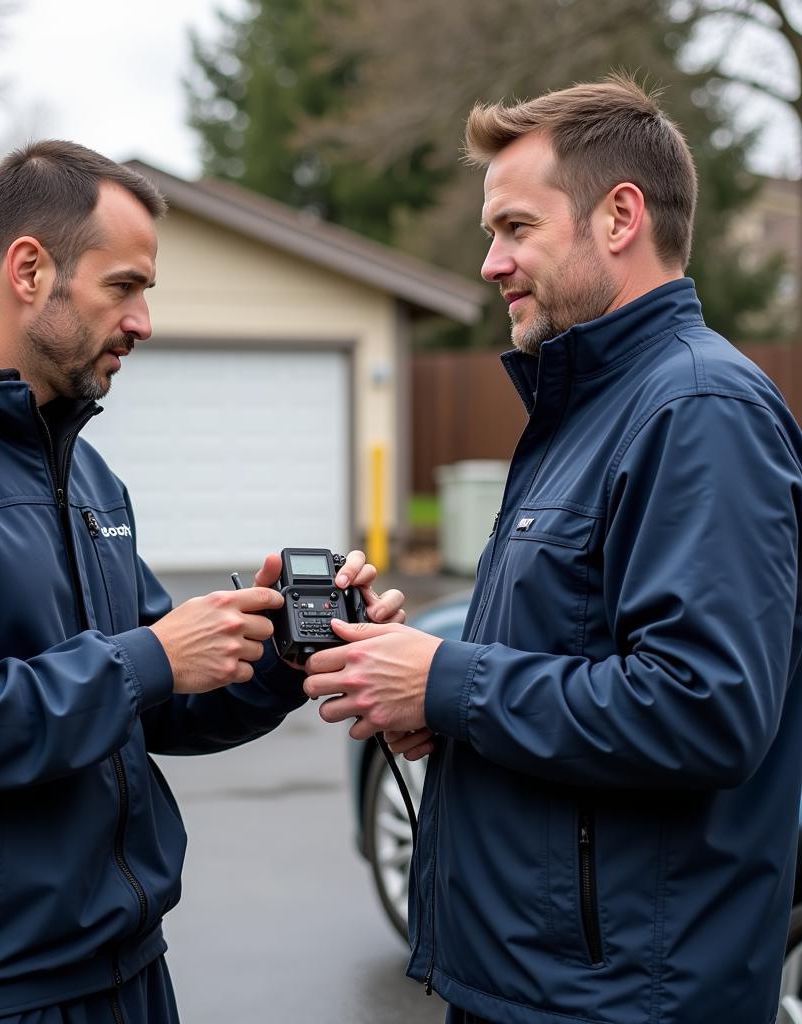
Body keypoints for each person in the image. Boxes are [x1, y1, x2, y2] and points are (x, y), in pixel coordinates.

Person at [0, 141, 403, 1024]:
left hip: (124, 972)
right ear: (29, 269)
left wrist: (278, 654)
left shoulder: (87, 476)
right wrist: (151, 655)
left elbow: (151, 702)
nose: (144, 320)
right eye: (124, 286)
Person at [303, 76, 802, 1024]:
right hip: (537, 986)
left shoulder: (699, 412)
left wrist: (447, 681)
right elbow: (570, 662)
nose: (491, 264)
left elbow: (705, 709)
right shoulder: (585, 410)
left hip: (622, 1001)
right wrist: (438, 711)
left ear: (620, 217)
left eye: (515, 229)